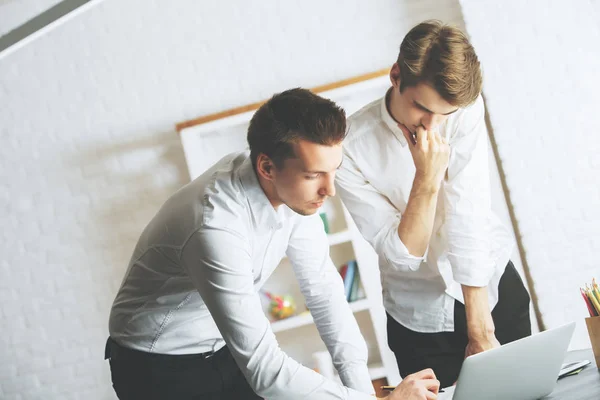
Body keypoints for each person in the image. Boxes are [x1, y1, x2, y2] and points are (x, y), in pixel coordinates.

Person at [105, 88, 440, 400]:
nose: (330, 190)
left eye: (333, 171)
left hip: (222, 346)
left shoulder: (295, 195)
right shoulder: (214, 227)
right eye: (314, 175)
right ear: (267, 166)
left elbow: (324, 294)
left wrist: (364, 394)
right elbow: (266, 370)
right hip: (157, 366)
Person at [335, 20, 532, 388]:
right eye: (422, 109)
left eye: (445, 115)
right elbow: (404, 256)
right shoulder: (348, 150)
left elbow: (468, 212)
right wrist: (426, 178)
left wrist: (480, 327)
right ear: (396, 76)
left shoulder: (465, 110)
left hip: (490, 292)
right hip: (419, 319)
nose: (433, 126)